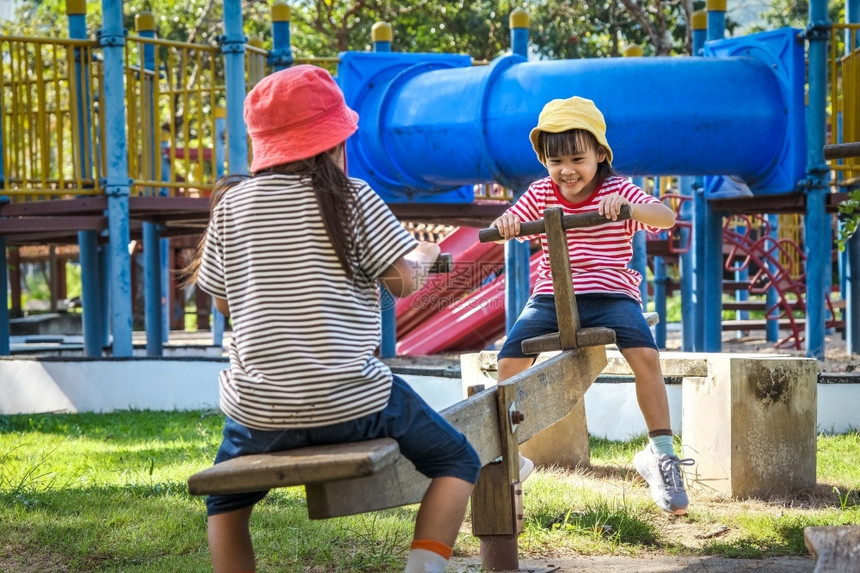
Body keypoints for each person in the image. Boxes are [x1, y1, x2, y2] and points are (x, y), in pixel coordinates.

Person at [195, 65, 481, 573]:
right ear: (334, 141)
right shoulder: (353, 198)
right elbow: (401, 282)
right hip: (353, 397)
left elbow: (222, 304)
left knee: (225, 503)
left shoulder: (232, 205)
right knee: (457, 461)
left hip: (262, 408)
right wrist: (431, 254)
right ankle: (424, 565)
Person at [491, 96, 694, 515]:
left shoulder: (616, 190)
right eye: (555, 161)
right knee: (508, 363)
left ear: (601, 155)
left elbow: (665, 216)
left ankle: (661, 453)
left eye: (577, 159)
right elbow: (503, 224)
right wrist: (505, 225)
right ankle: (510, 455)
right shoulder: (541, 192)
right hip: (550, 297)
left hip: (612, 295)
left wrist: (628, 209)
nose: (566, 171)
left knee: (646, 356)